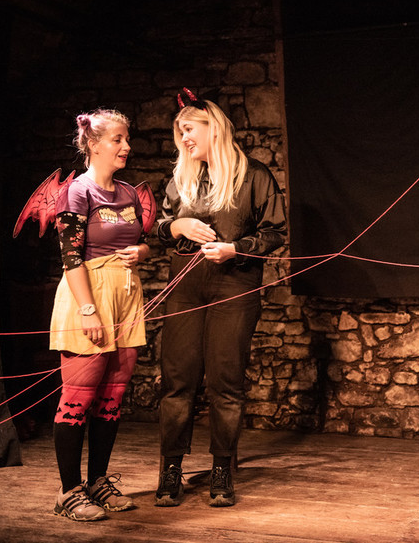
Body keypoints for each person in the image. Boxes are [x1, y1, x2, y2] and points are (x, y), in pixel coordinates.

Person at [154, 91, 286, 508]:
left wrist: (237, 248)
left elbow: (275, 232)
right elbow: (159, 227)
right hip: (186, 286)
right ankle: (170, 468)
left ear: (214, 128)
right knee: (178, 380)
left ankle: (222, 469)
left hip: (234, 286)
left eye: (189, 129)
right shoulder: (181, 178)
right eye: (180, 131)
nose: (184, 138)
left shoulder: (255, 176)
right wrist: (177, 227)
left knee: (226, 382)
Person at [48, 109, 150, 521]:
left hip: (125, 295)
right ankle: (69, 491)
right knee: (78, 398)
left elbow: (142, 241)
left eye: (127, 139)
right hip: (88, 295)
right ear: (92, 144)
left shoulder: (128, 193)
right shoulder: (77, 192)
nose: (126, 146)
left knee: (111, 397)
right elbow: (70, 257)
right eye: (117, 140)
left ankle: (98, 482)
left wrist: (141, 252)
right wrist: (88, 310)